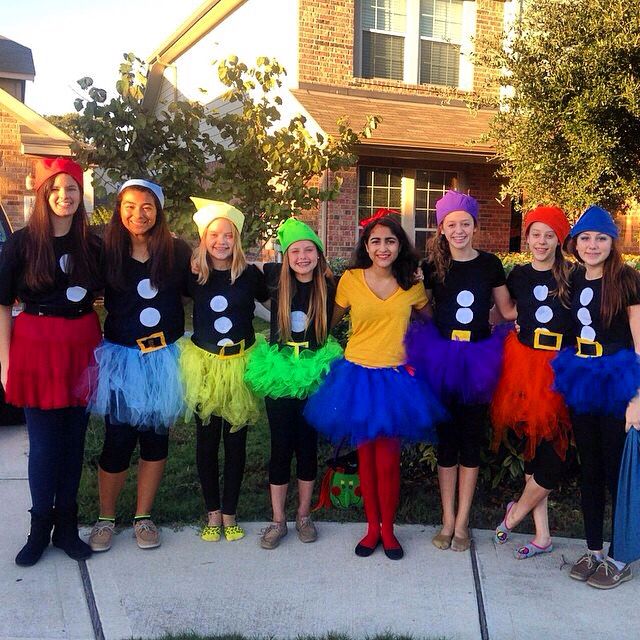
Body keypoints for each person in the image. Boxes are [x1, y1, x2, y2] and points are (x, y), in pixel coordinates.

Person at [304, 212, 446, 560]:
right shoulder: (351, 280)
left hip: (395, 379)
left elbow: (434, 322)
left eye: (390, 241)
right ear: (366, 246)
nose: (383, 248)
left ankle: (389, 530)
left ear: (400, 246)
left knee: (388, 461)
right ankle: (371, 529)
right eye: (375, 241)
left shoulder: (410, 283)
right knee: (366, 458)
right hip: (357, 377)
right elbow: (327, 324)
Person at [0, 157, 102, 566]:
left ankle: (67, 529)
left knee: (73, 442)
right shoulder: (21, 244)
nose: (65, 196)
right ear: (44, 194)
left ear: (81, 195)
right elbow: (2, 306)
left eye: (72, 189)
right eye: (56, 189)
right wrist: (4, 364)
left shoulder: (93, 245)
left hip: (82, 348)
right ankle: (39, 528)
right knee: (43, 446)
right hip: (36, 348)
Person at [405, 190, 514, 553]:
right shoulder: (433, 266)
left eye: (465, 224)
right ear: (442, 228)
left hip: (478, 358)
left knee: (470, 441)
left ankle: (463, 522)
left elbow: (506, 310)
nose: (459, 230)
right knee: (447, 442)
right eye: (451, 224)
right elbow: (418, 303)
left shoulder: (490, 264)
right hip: (442, 358)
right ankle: (446, 519)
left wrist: (543, 299)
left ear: (475, 226)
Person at [85, 179, 191, 552]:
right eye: (129, 206)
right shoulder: (106, 251)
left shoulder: (176, 252)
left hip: (163, 359)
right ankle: (106, 517)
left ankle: (143, 516)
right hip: (122, 358)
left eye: (146, 206)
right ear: (119, 210)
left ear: (158, 210)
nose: (138, 214)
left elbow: (207, 285)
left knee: (155, 439)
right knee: (118, 439)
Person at [551, 205, 640, 589]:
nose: (592, 245)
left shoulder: (627, 279)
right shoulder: (571, 280)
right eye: (585, 238)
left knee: (614, 468)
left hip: (618, 380)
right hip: (582, 379)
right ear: (574, 243)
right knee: (589, 468)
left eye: (601, 238)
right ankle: (593, 550)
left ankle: (620, 558)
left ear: (612, 243)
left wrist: (637, 398)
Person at [245, 218, 342, 549]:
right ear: (285, 256)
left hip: (314, 370)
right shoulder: (273, 278)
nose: (302, 257)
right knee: (280, 445)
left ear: (318, 254)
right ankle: (277, 519)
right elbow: (237, 271)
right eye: (295, 251)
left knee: (307, 445)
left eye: (308, 250)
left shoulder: (331, 285)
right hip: (281, 371)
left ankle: (303, 514)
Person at [181, 198, 269, 542]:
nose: (221, 241)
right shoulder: (194, 276)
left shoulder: (249, 275)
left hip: (239, 364)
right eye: (214, 235)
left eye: (228, 235)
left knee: (235, 441)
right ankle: (212, 513)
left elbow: (273, 299)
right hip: (204, 365)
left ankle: (230, 512)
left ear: (237, 239)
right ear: (204, 239)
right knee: (206, 442)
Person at [491, 205, 573, 559]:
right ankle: (542, 536)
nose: (541, 241)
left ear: (559, 239)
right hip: (524, 364)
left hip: (560, 368)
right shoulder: (519, 275)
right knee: (532, 447)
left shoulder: (573, 275)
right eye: (536, 234)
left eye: (549, 235)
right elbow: (506, 311)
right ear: (528, 238)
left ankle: (514, 515)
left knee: (554, 452)